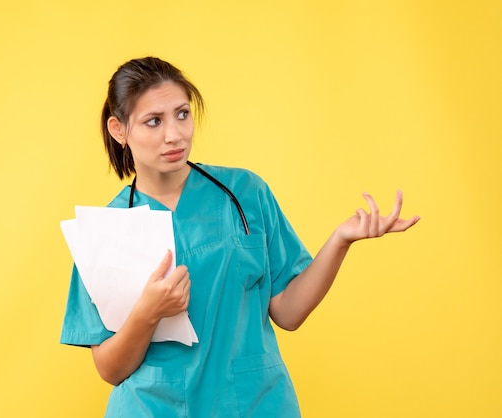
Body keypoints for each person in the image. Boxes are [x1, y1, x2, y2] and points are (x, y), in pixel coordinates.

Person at [60, 56, 419, 417]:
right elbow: (110, 369)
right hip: (153, 408)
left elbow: (288, 312)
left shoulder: (245, 193)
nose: (175, 134)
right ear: (119, 130)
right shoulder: (106, 229)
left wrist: (341, 239)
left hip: (252, 403)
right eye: (154, 121)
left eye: (182, 114)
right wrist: (148, 313)